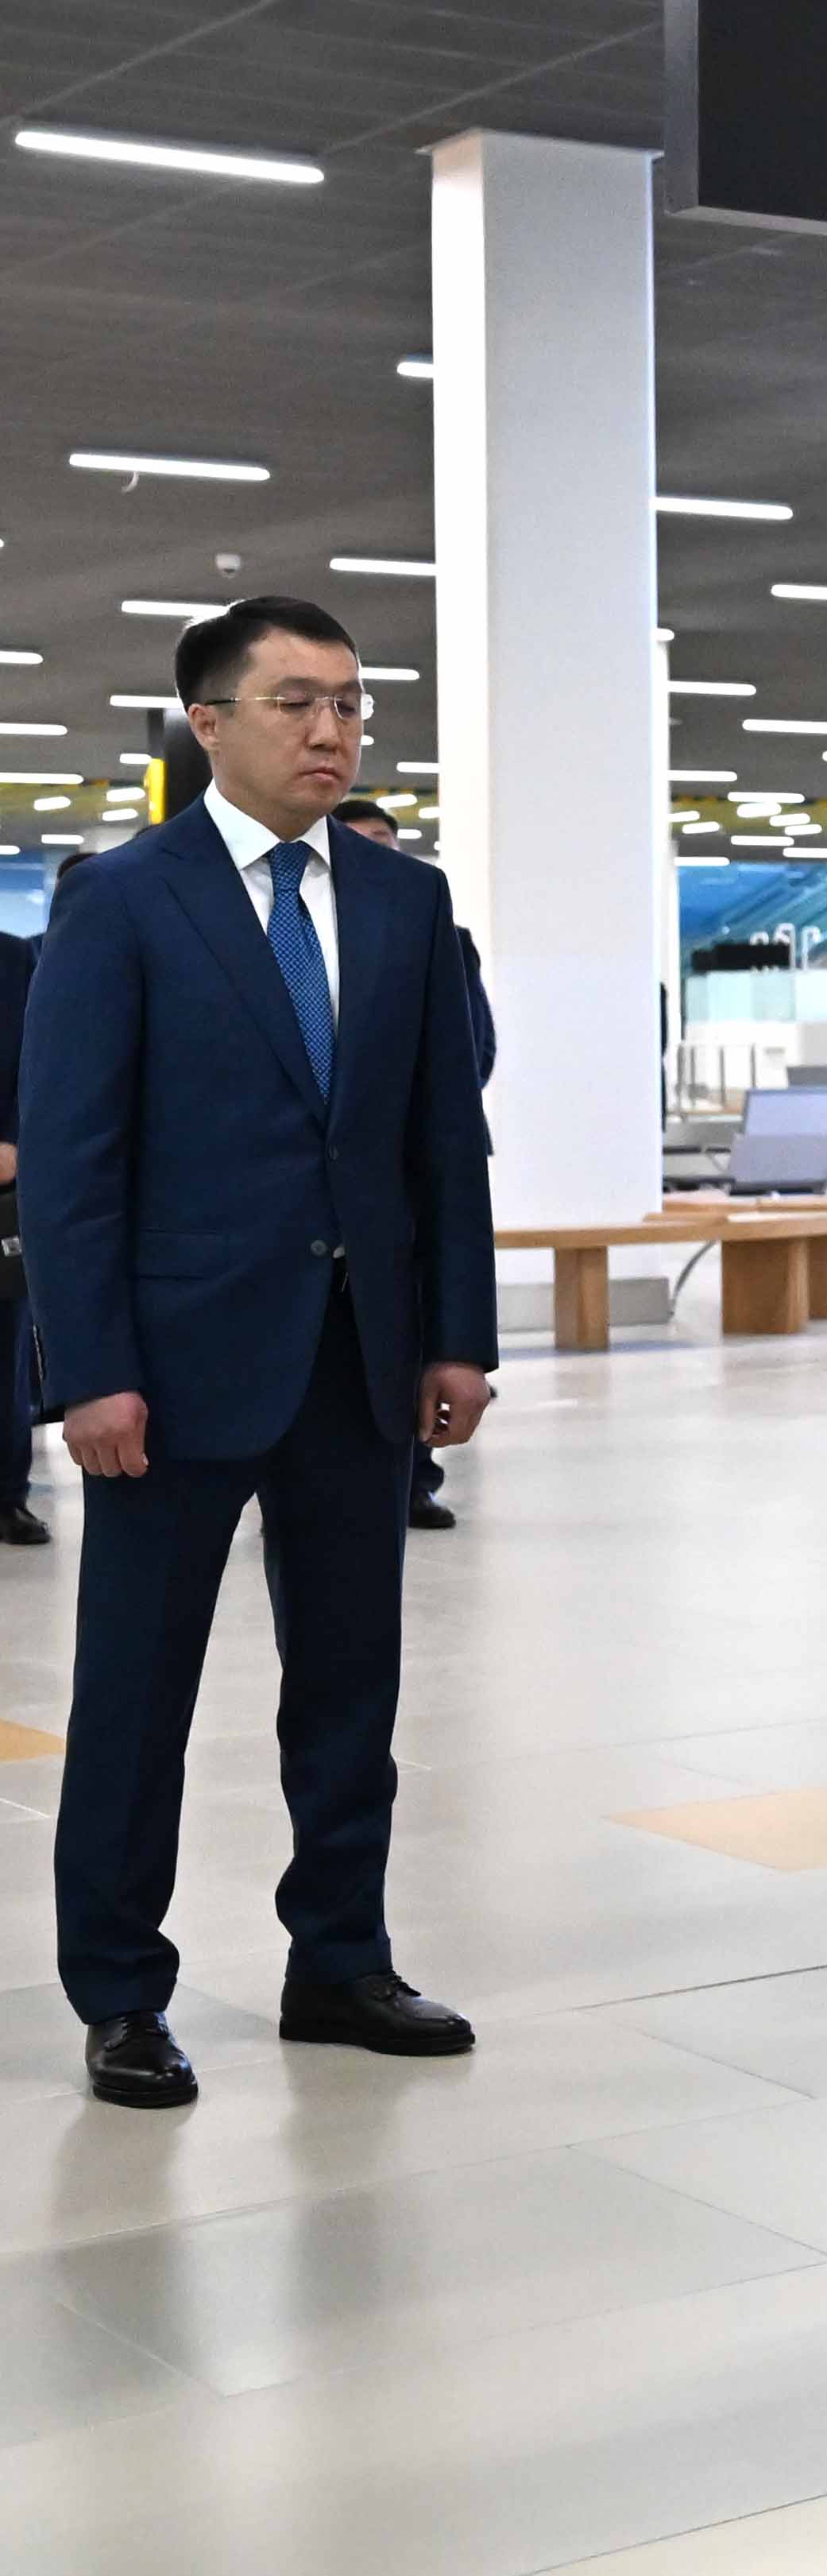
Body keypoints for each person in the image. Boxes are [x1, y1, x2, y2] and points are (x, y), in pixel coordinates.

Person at [21, 596, 500, 2110]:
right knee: (137, 1693)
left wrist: (459, 1336)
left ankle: (340, 1959)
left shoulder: (406, 902)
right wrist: (87, 1369)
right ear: (208, 723)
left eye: (350, 703)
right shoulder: (123, 900)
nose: (331, 730)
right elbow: (75, 1159)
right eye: (297, 703)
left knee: (351, 1681)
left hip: (359, 1362)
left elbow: (443, 1139)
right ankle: (119, 1987)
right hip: (171, 1371)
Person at [328, 796, 492, 1532]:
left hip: (397, 1195)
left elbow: (468, 1051)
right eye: (360, 838)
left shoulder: (428, 918)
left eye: (384, 839)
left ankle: (417, 1479)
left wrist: (465, 1345)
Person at [0, 922, 40, 1547]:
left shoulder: (14, 960)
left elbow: (40, 1060)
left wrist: (14, 1139)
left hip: (3, 1185)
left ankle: (7, 1494)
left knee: (5, 1347)